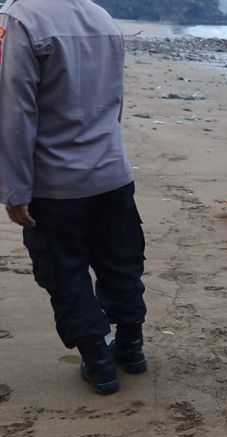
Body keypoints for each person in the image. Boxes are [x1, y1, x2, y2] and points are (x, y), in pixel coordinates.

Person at [0, 0, 147, 395]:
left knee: (64, 271)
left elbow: (15, 109)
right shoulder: (102, 17)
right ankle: (131, 346)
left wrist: (15, 189)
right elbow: (114, 101)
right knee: (121, 262)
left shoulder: (21, 18)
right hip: (112, 173)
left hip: (56, 182)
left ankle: (99, 361)